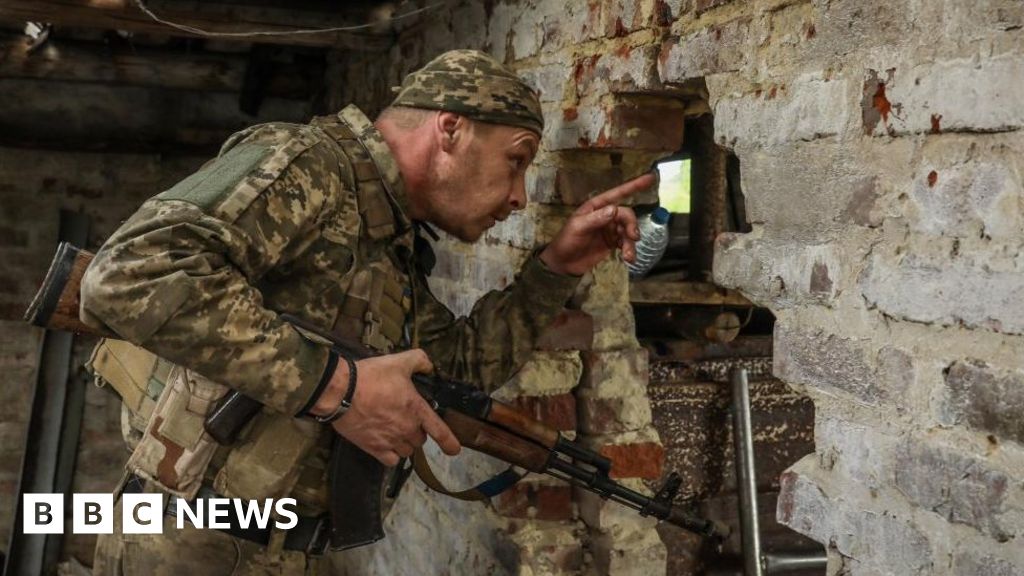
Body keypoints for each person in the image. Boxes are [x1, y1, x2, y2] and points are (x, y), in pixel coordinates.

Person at [81, 49, 653, 575]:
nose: (520, 196)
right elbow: (129, 273)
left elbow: (451, 372)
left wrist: (556, 267)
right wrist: (339, 387)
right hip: (185, 544)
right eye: (516, 160)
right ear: (450, 128)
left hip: (280, 552)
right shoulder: (309, 165)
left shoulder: (386, 235)